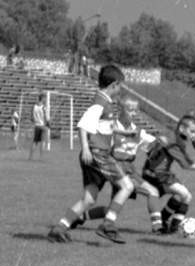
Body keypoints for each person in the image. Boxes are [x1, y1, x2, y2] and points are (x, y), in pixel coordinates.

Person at [48, 64, 135, 244]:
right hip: (98, 154)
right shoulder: (100, 102)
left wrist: (124, 134)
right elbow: (83, 125)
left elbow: (103, 128)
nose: (120, 90)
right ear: (114, 84)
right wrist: (87, 149)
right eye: (120, 86)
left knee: (89, 199)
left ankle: (60, 228)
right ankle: (108, 224)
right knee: (127, 186)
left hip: (94, 154)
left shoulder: (105, 102)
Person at [70, 97, 162, 232]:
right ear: (120, 109)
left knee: (112, 208)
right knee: (153, 192)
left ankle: (79, 217)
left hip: (124, 169)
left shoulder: (138, 131)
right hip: (116, 167)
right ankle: (158, 228)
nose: (133, 113)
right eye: (130, 110)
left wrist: (163, 143)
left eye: (136, 111)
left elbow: (155, 146)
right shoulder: (110, 127)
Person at [142, 115, 195, 234]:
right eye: (192, 131)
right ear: (182, 129)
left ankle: (170, 225)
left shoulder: (171, 135)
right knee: (184, 194)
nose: (194, 135)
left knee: (186, 196)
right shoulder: (174, 143)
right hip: (157, 175)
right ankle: (166, 223)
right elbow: (186, 165)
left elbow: (148, 148)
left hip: (153, 172)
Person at [28, 93, 48, 160]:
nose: (45, 99)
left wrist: (35, 121)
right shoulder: (43, 107)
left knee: (35, 142)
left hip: (36, 126)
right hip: (42, 126)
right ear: (42, 98)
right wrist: (48, 124)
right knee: (43, 142)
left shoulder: (33, 107)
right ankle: (41, 157)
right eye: (45, 98)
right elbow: (46, 118)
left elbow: (31, 118)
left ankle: (30, 157)